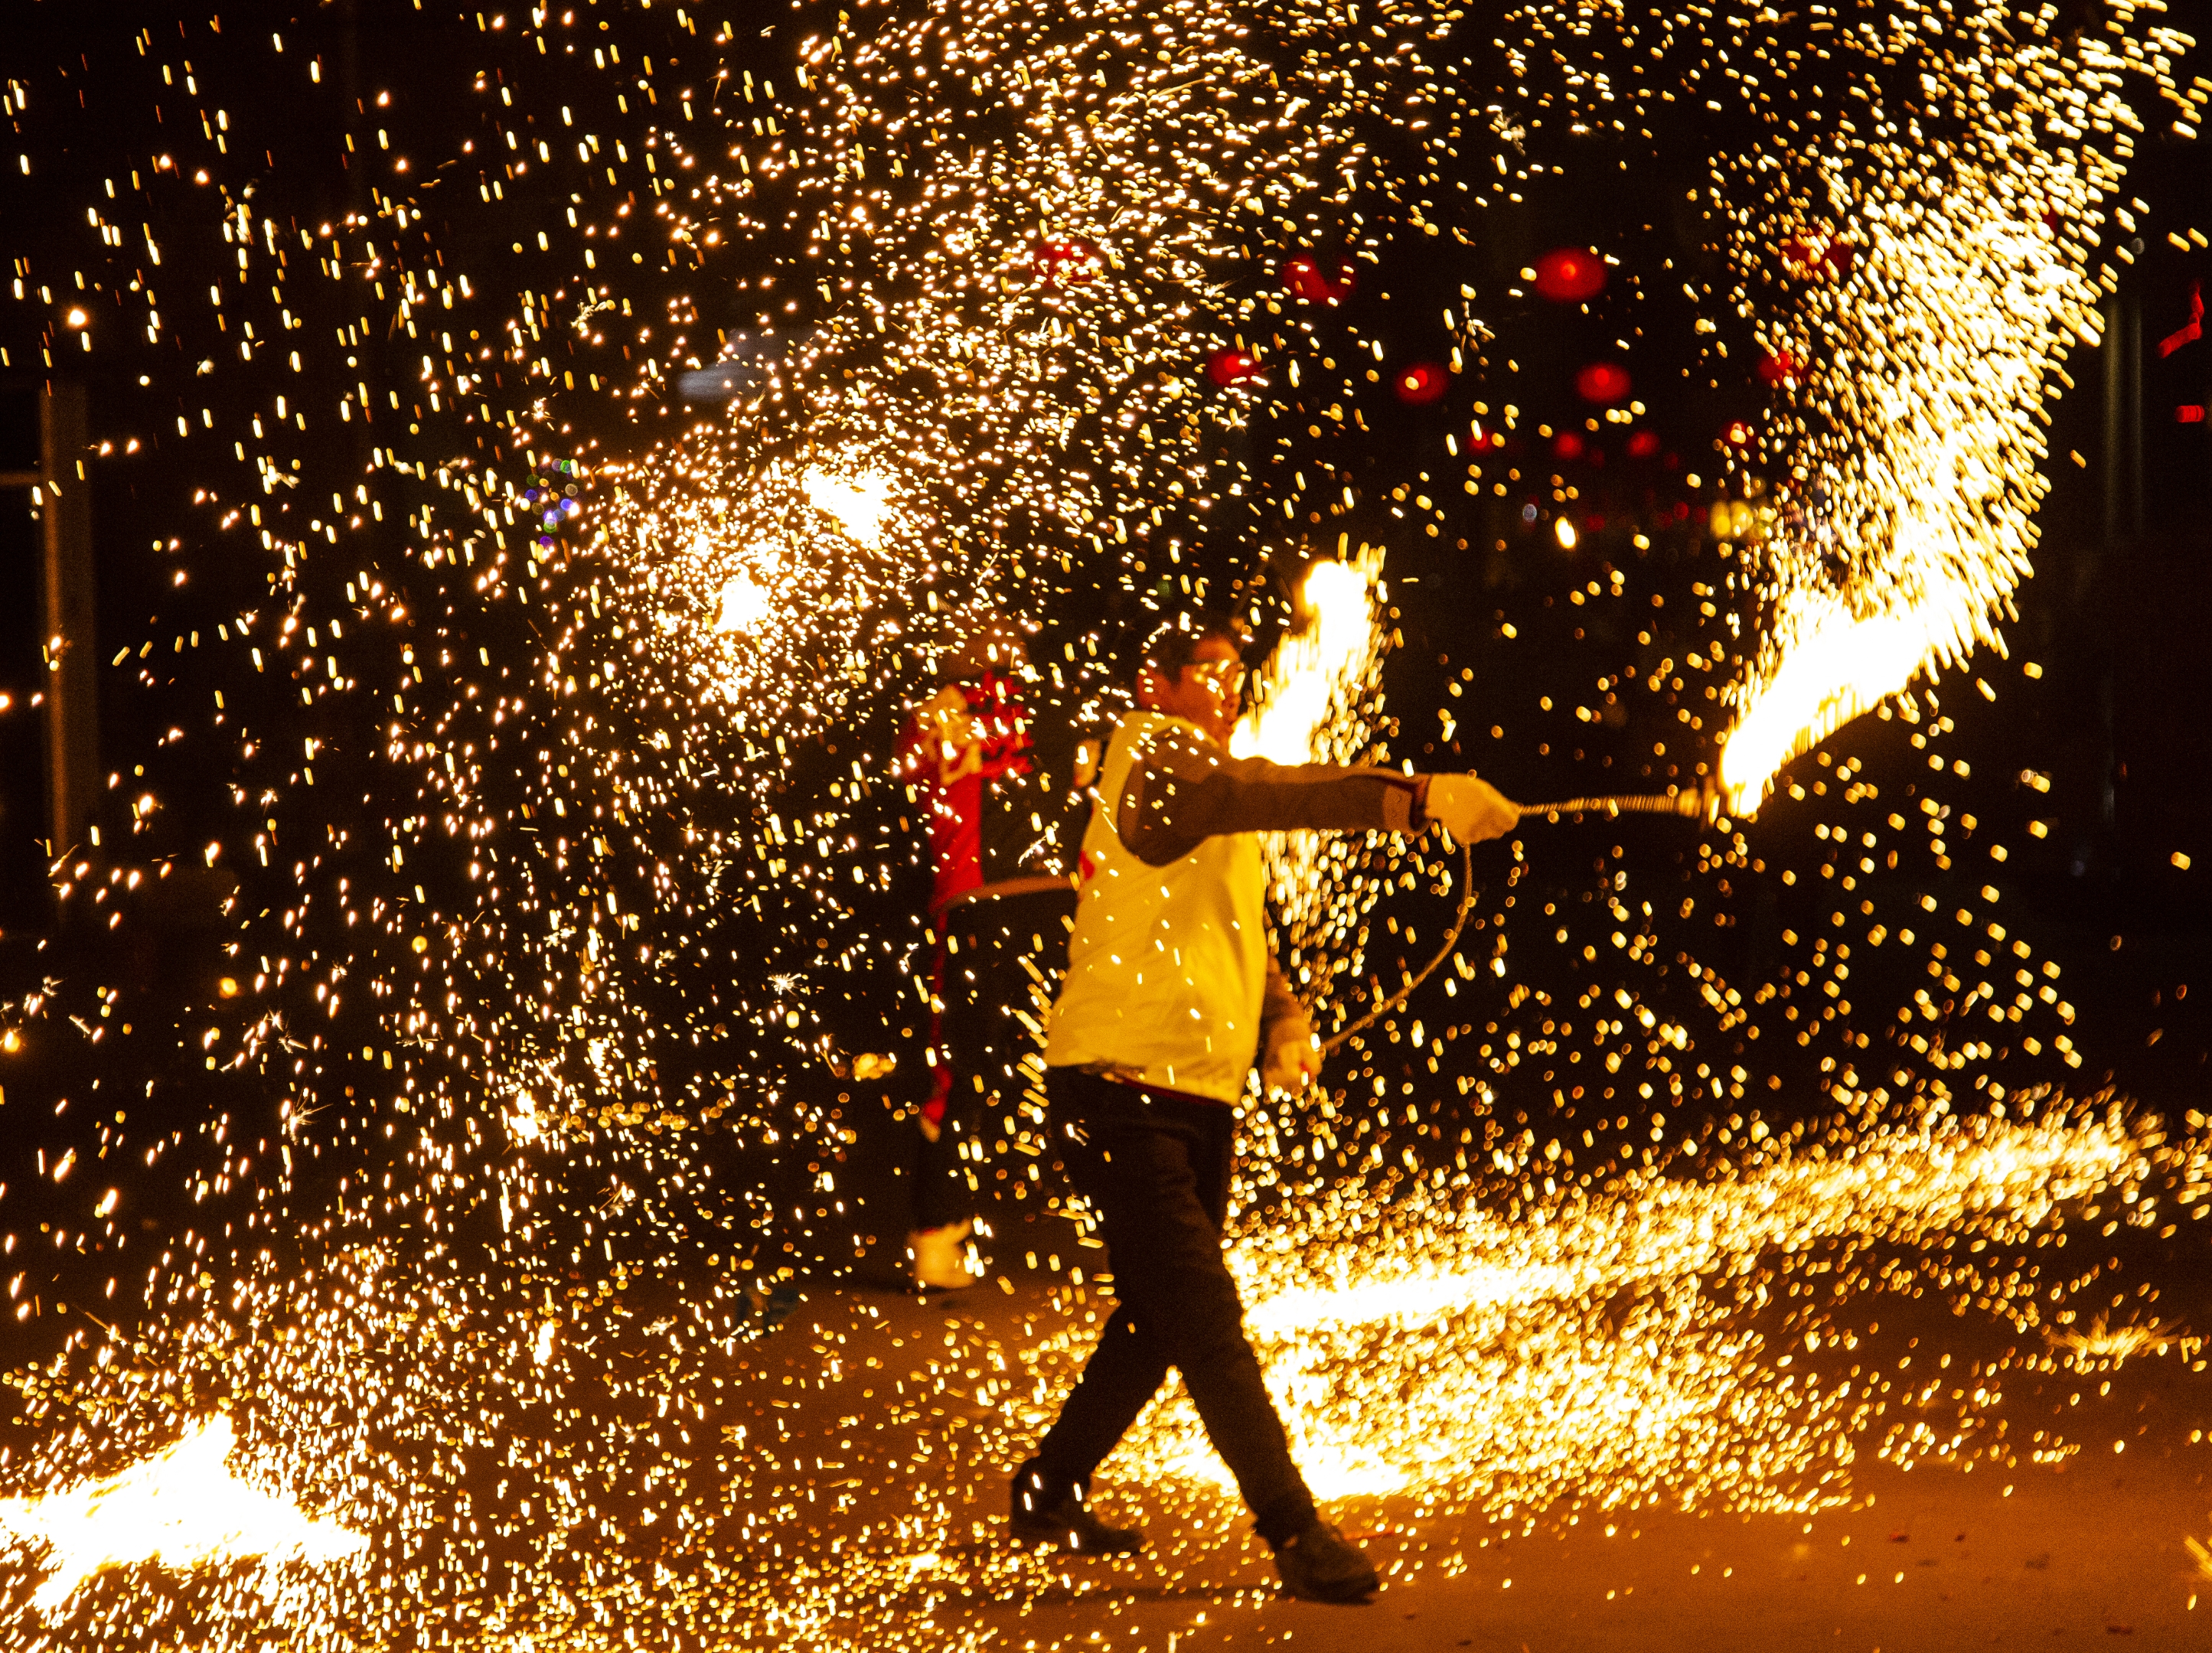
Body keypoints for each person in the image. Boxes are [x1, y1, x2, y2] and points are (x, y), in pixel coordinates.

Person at [1007, 611, 1518, 1602]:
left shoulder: (1207, 788)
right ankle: (1291, 1529)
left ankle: (1045, 1486)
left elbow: (1237, 923)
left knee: (1157, 1319)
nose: (1226, 687)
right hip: (1116, 1089)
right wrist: (1415, 798)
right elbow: (1255, 788)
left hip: (1193, 1092)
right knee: (1205, 1317)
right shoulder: (1150, 759)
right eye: (1204, 671)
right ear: (1152, 685)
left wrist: (1282, 1016)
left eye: (1236, 671)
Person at [892, 618, 1086, 1289]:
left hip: (1021, 894)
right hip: (1000, 897)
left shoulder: (1028, 703)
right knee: (992, 1067)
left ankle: (944, 1237)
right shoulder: (1015, 704)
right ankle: (942, 1230)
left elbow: (909, 779)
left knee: (992, 1070)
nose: (1001, 639)